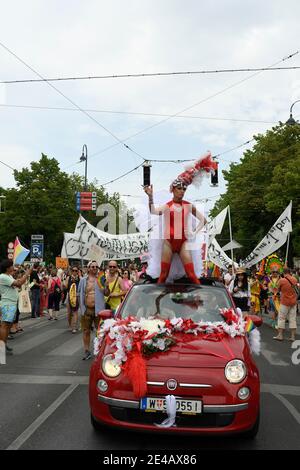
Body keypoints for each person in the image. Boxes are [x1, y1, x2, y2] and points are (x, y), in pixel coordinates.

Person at [144, 154, 216, 284]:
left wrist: (194, 232)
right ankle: (157, 303)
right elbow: (153, 211)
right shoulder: (167, 206)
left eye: (184, 189)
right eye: (179, 188)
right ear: (173, 190)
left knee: (191, 274)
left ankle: (199, 301)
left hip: (183, 243)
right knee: (163, 275)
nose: (182, 191)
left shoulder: (188, 205)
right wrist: (150, 197)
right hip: (168, 243)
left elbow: (203, 220)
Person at [0, 260, 31, 354]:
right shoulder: (3, 276)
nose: (13, 267)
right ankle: (2, 347)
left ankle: (4, 344)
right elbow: (18, 284)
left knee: (8, 326)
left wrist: (22, 277)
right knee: (5, 325)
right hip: (7, 303)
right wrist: (27, 273)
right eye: (11, 266)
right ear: (8, 268)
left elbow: (18, 282)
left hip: (11, 303)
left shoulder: (8, 276)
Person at [78, 261, 105, 360]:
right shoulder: (83, 280)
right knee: (86, 331)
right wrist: (81, 308)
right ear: (88, 268)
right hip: (87, 309)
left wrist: (106, 286)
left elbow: (106, 292)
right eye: (92, 266)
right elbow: (78, 294)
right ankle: (86, 351)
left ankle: (99, 350)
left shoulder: (101, 279)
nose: (94, 268)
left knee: (100, 332)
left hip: (99, 310)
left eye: (96, 266)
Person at [273, 267, 299, 341]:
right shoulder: (295, 279)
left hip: (284, 301)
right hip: (293, 301)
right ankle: (293, 336)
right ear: (289, 272)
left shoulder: (282, 280)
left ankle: (280, 335)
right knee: (293, 319)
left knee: (281, 318)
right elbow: (296, 289)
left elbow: (277, 290)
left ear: (283, 273)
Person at [65, 266, 80, 333]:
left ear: (78, 271)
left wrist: (78, 294)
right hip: (69, 297)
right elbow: (65, 286)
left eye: (76, 270)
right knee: (69, 313)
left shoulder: (80, 278)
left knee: (75, 312)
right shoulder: (69, 278)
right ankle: (70, 325)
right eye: (73, 270)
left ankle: (74, 327)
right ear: (71, 271)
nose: (74, 272)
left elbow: (82, 288)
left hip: (76, 297)